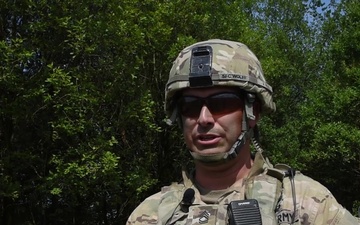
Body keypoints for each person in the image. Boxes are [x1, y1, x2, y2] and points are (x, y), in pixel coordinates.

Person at [126, 39, 359, 224]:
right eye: (190, 106)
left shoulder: (305, 204)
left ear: (252, 112)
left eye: (221, 103)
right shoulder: (151, 215)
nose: (204, 119)